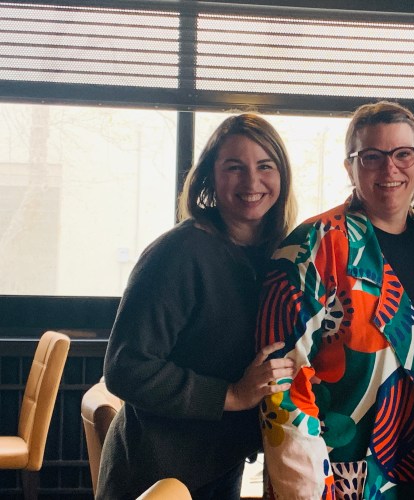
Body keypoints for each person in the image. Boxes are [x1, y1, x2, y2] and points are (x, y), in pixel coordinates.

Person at [256, 101, 414, 499]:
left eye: (403, 154)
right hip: (331, 478)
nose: (390, 169)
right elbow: (281, 382)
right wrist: (309, 491)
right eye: (371, 157)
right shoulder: (315, 245)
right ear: (349, 168)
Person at [97, 114, 297, 500]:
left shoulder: (274, 256)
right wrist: (232, 395)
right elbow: (125, 368)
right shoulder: (178, 253)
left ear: (282, 177)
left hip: (219, 465)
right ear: (209, 178)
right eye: (234, 167)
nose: (252, 182)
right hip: (157, 476)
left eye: (265, 166)